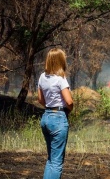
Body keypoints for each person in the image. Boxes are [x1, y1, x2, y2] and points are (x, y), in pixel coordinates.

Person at [37, 48, 74, 179]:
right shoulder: (61, 79)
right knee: (57, 162)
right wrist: (70, 109)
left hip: (46, 117)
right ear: (60, 61)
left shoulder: (42, 77)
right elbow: (69, 101)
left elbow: (41, 99)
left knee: (51, 159)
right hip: (58, 118)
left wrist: (50, 107)